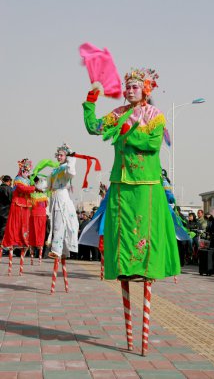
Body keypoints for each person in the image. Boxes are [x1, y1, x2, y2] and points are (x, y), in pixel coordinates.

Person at [82, 67, 180, 281]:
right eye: (127, 87)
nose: (129, 91)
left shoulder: (155, 115)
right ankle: (124, 268)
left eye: (135, 87)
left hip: (147, 180)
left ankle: (146, 269)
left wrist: (126, 135)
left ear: (145, 90)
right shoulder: (118, 113)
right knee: (121, 225)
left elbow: (153, 144)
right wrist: (91, 99)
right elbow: (94, 127)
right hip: (121, 179)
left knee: (145, 225)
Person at [2, 159, 35, 274]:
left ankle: (23, 240)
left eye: (28, 168)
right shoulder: (17, 179)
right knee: (15, 225)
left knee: (25, 227)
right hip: (17, 205)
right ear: (21, 168)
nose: (27, 169)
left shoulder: (28, 180)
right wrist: (34, 188)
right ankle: (12, 241)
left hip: (26, 206)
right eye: (25, 167)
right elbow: (22, 189)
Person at [47, 143, 79, 259]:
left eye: (61, 155)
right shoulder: (55, 169)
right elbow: (48, 186)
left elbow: (72, 173)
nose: (59, 157)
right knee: (57, 223)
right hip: (55, 196)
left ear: (66, 156)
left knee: (60, 224)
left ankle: (56, 250)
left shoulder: (67, 168)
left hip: (62, 196)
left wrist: (71, 157)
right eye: (58, 155)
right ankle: (62, 250)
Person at [0, 175, 13, 245]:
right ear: (9, 181)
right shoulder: (9, 189)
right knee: (3, 228)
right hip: (6, 212)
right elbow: (12, 200)